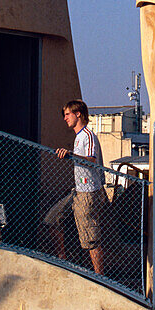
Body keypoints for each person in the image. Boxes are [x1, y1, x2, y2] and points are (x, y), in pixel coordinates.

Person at [55, 100, 106, 275]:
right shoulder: (78, 137)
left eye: (67, 114)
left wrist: (71, 155)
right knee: (54, 218)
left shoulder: (88, 135)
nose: (65, 118)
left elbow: (92, 160)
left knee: (90, 237)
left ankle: (99, 275)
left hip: (88, 191)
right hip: (78, 191)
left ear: (78, 114)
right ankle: (63, 260)